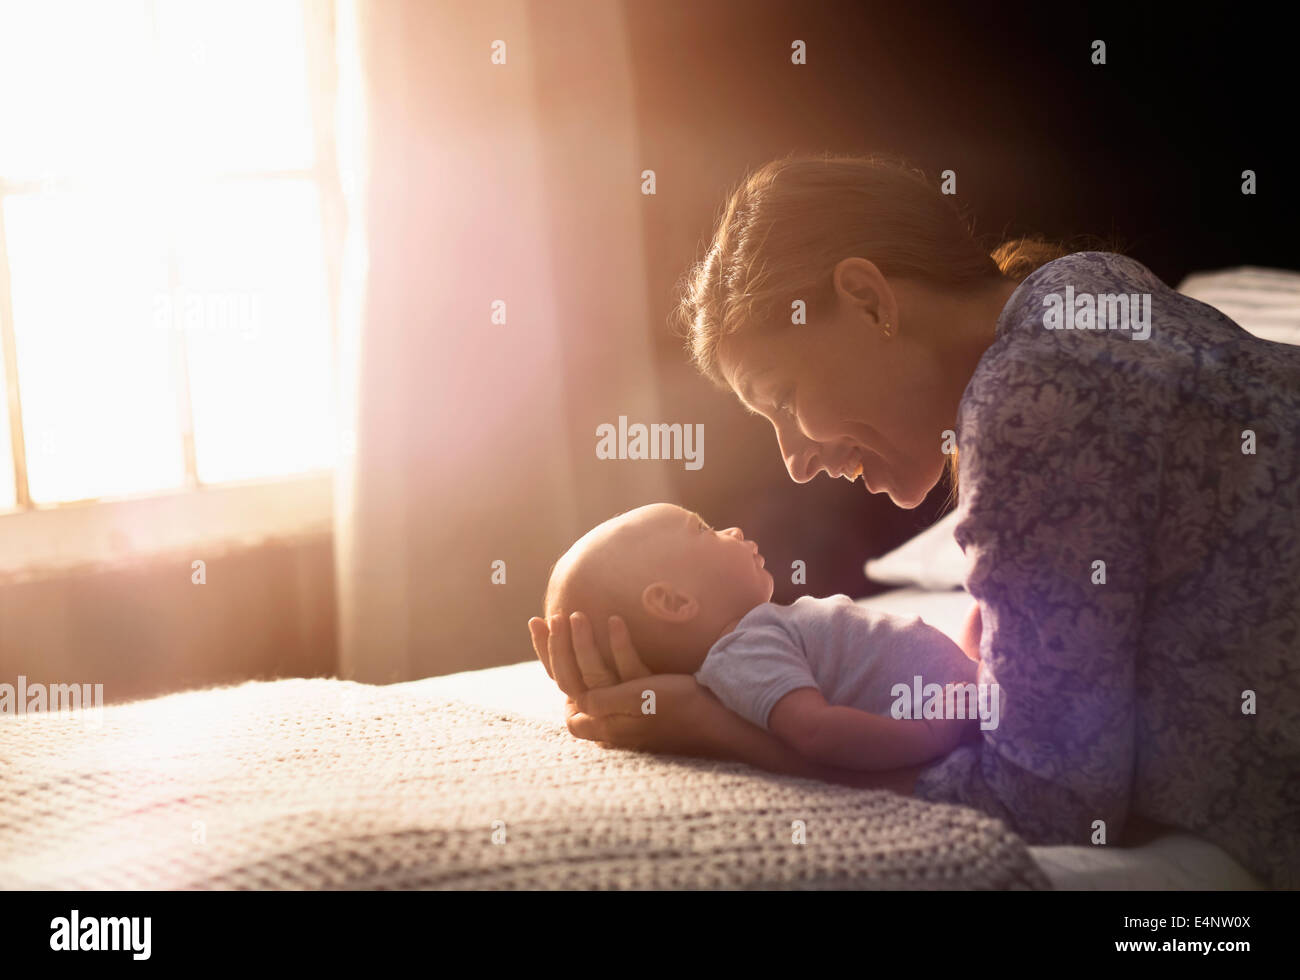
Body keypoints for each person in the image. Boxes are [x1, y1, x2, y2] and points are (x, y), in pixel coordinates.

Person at [530, 153, 1300, 888]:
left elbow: (1049, 803)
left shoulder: (1032, 401)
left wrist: (729, 736)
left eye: (784, 397)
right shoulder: (1081, 286)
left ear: (869, 301)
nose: (794, 460)